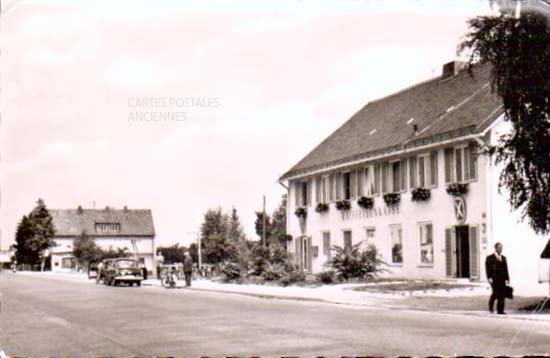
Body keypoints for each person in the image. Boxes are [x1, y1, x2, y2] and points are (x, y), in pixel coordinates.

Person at [485, 242, 510, 314]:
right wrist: (489, 277)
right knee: (495, 294)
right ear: (495, 248)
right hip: (494, 279)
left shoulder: (503, 258)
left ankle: (500, 310)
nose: (500, 249)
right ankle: (491, 306)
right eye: (499, 248)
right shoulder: (490, 258)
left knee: (502, 294)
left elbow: (506, 269)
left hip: (502, 279)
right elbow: (488, 268)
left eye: (501, 248)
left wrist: (507, 279)